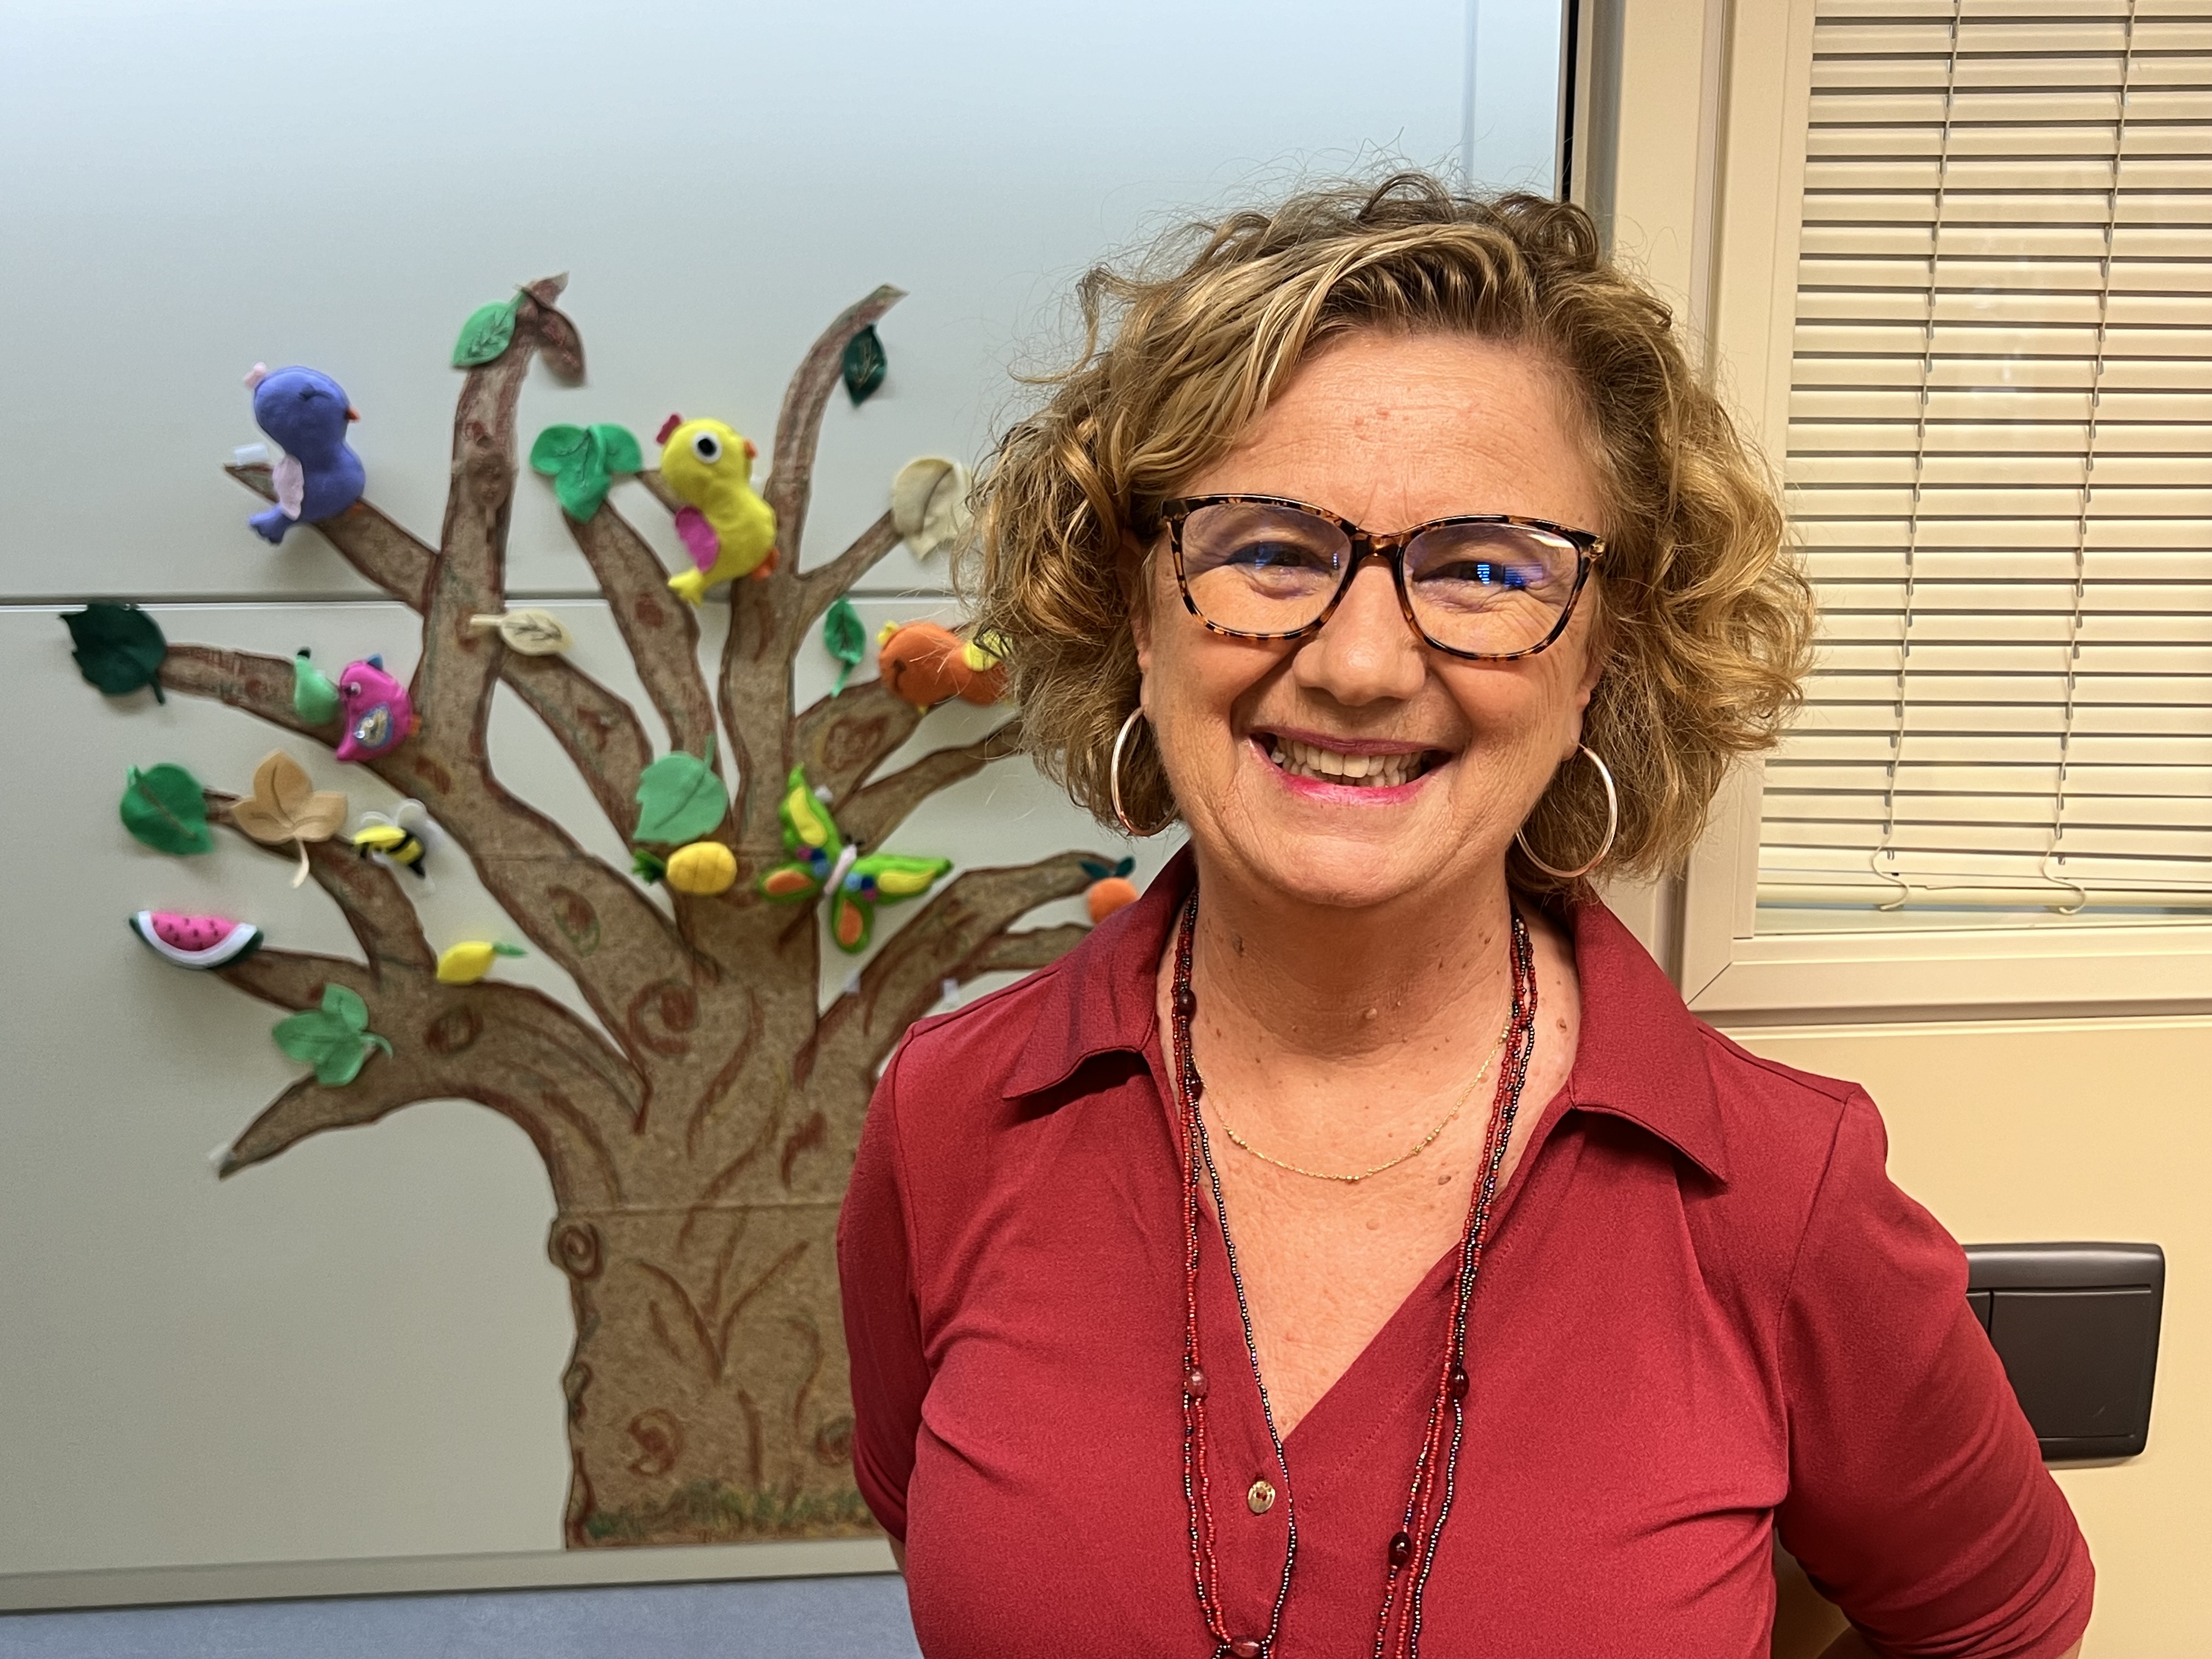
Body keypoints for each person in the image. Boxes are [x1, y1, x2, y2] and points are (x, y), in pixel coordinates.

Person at [836, 174, 2091, 1659]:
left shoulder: (1781, 1196)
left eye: (1489, 569)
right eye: (1268, 549)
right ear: (1138, 603)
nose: (1362, 664)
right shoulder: (953, 1116)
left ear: (1602, 656)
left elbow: (1997, 1625)